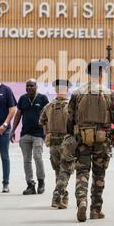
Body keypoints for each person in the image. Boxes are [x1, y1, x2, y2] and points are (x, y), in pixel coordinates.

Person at [67, 59, 114, 222]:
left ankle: (82, 201)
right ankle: (95, 210)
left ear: (88, 74)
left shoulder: (77, 93)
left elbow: (69, 119)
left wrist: (72, 136)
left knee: (82, 172)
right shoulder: (109, 93)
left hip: (82, 138)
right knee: (99, 174)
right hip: (102, 139)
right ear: (101, 74)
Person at [39, 79, 74, 208]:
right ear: (67, 90)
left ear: (55, 90)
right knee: (66, 171)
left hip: (53, 143)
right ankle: (57, 196)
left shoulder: (48, 106)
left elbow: (42, 120)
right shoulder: (71, 105)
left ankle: (63, 197)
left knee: (58, 171)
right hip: (67, 143)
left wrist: (48, 134)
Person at [11, 79, 49, 195]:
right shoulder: (23, 99)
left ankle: (41, 181)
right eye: (27, 86)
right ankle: (30, 184)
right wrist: (13, 130)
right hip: (25, 134)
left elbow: (47, 116)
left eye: (31, 86)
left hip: (38, 134)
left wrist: (47, 132)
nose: (29, 88)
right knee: (26, 160)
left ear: (36, 87)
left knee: (37, 157)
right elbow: (18, 115)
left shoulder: (43, 99)